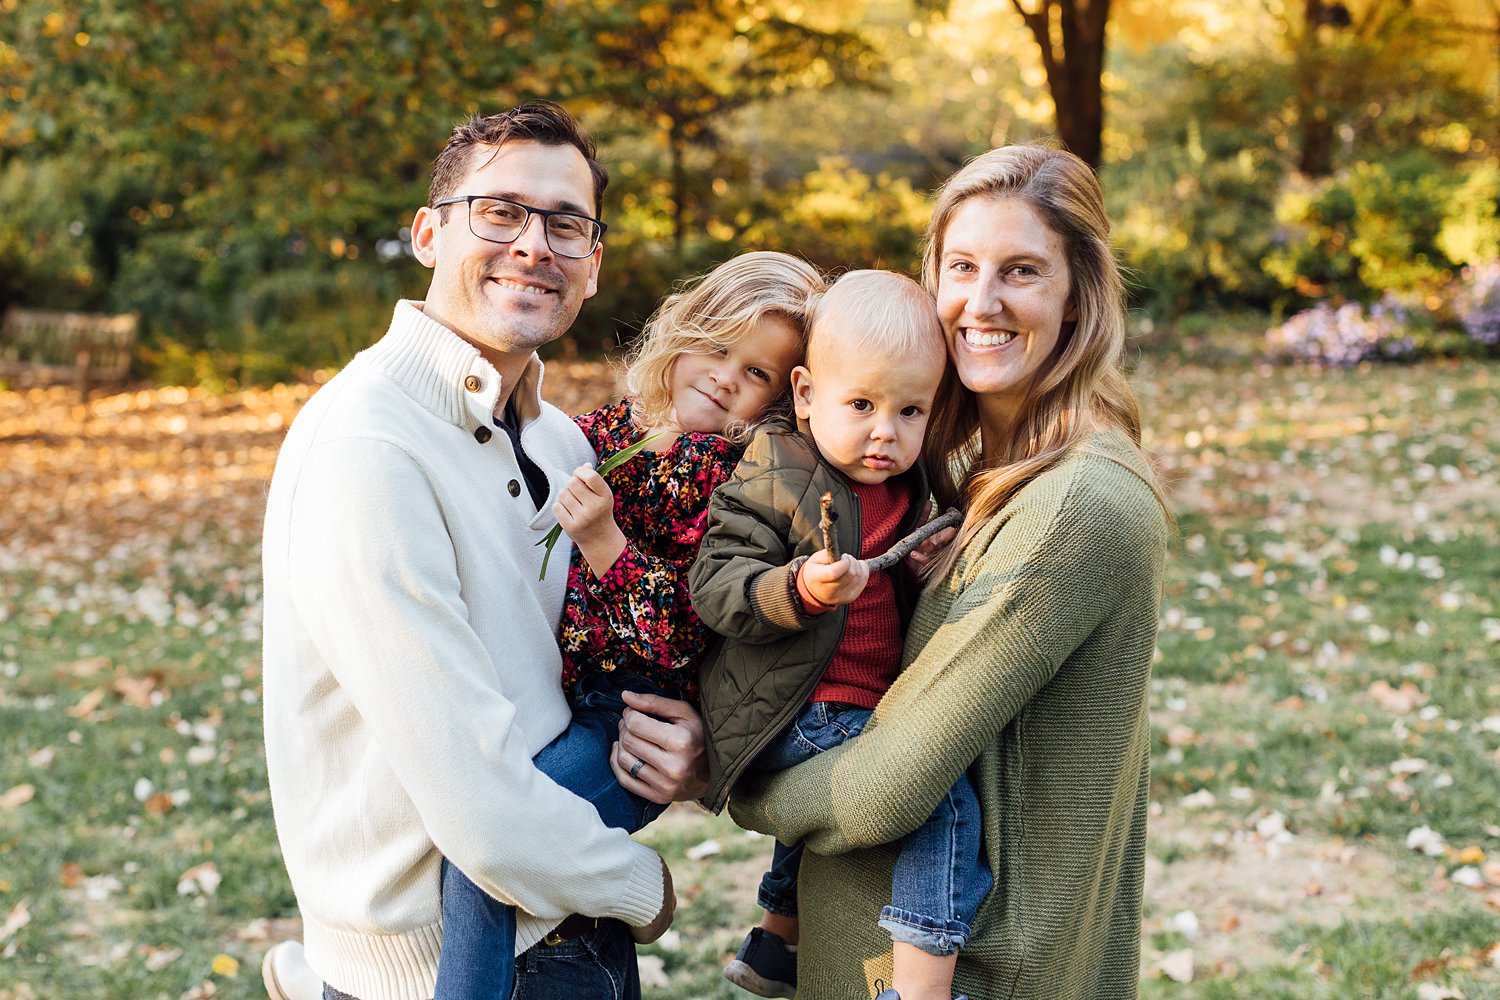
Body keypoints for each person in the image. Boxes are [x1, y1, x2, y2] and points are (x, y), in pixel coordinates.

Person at [260, 101, 708, 1000]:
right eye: (500, 212)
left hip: (569, 925)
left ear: (591, 264)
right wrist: (644, 891)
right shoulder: (369, 446)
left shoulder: (561, 445)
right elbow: (481, 810)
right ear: (429, 234)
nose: (536, 245)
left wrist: (687, 756)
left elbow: (607, 658)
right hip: (441, 969)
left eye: (566, 224)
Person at [727, 145, 1172, 1000]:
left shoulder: (1076, 504)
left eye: (1022, 271)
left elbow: (885, 790)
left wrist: (732, 780)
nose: (983, 300)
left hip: (977, 973)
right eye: (961, 266)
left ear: (1079, 294)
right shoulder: (968, 478)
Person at [435, 250, 825, 1000]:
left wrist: (606, 543)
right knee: (475, 837)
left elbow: (685, 630)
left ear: (780, 402)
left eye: (757, 375)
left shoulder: (733, 481)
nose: (724, 378)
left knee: (487, 853)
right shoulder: (606, 432)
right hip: (554, 700)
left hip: (629, 722)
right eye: (717, 348)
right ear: (683, 334)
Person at [689, 270, 985, 1000]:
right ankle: (919, 983)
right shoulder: (776, 475)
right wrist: (796, 588)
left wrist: (923, 563)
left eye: (911, 410)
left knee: (871, 774)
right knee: (936, 795)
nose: (886, 431)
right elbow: (716, 583)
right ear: (806, 394)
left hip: (849, 700)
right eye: (862, 404)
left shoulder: (910, 490)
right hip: (795, 707)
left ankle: (776, 939)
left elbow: (899, 589)